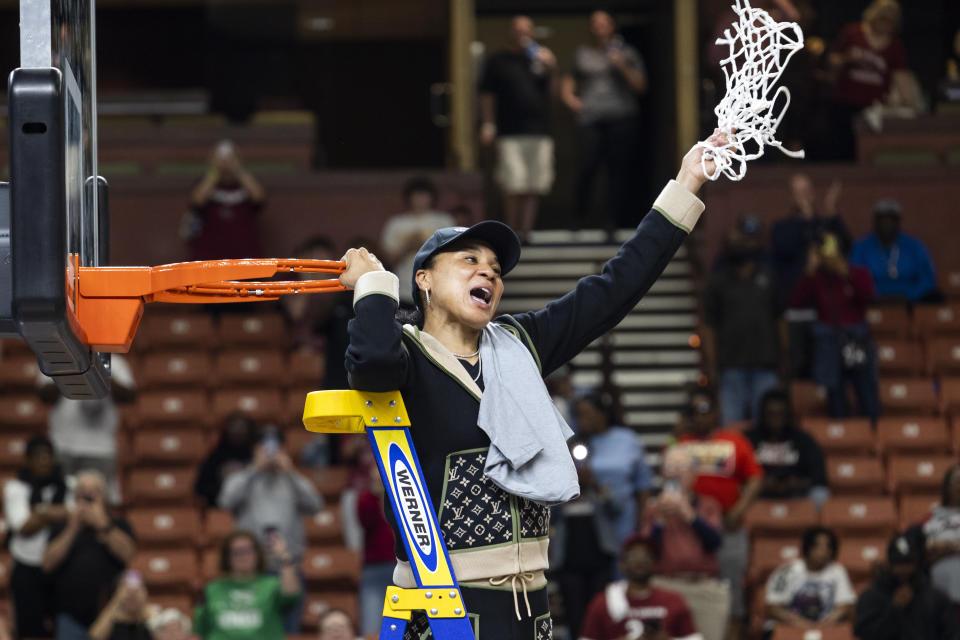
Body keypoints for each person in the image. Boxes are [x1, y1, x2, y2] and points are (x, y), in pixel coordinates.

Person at [337, 134, 724, 638]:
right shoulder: (405, 353)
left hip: (533, 606)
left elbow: (616, 288)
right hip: (442, 606)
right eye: (470, 261)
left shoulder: (518, 344)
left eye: (496, 269)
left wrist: (687, 182)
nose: (489, 274)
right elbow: (371, 366)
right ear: (425, 279)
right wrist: (373, 289)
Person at [675, 387, 763, 640]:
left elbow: (756, 478)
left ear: (716, 412)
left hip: (729, 525)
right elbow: (670, 477)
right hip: (692, 527)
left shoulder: (734, 441)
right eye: (693, 411)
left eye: (704, 410)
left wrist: (740, 509)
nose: (699, 416)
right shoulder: (682, 443)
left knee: (732, 588)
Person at [218, 428, 322, 634]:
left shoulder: (291, 480)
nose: (270, 454)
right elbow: (225, 500)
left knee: (289, 631)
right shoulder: (244, 478)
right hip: (252, 571)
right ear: (255, 450)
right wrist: (254, 469)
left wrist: (291, 472)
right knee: (256, 631)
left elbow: (316, 505)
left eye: (275, 448)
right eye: (264, 448)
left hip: (287, 569)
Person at [562, 10, 648, 231]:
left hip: (621, 118)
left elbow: (641, 86)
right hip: (590, 120)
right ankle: (578, 218)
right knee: (586, 167)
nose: (599, 27)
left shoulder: (627, 52)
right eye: (595, 23)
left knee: (617, 172)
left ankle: (612, 221)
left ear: (612, 26)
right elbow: (568, 82)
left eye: (603, 23)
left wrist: (622, 65)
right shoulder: (582, 54)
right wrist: (572, 100)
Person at [479, 15, 557, 241]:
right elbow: (487, 96)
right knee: (513, 183)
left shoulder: (540, 60)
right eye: (519, 29)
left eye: (528, 30)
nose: (523, 34)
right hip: (508, 131)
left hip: (539, 131)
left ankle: (527, 232)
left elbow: (553, 96)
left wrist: (552, 68)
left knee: (534, 184)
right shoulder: (498, 61)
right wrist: (488, 123)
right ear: (511, 32)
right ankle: (511, 231)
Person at [703, 217, 787, 425]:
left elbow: (781, 319)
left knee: (767, 426)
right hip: (731, 367)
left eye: (740, 242)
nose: (737, 246)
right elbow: (709, 327)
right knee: (731, 426)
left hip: (766, 364)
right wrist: (712, 367)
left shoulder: (768, 277)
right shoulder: (717, 282)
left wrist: (785, 356)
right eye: (732, 243)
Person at [790, 233, 879, 421]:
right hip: (828, 340)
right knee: (835, 391)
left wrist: (846, 272)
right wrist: (810, 269)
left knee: (865, 388)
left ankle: (872, 431)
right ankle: (842, 430)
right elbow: (796, 302)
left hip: (855, 337)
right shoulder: (817, 278)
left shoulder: (857, 272)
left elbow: (868, 296)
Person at [641, 446, 727, 640]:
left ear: (693, 475)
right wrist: (660, 520)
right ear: (663, 473)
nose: (675, 471)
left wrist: (689, 515)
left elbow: (715, 542)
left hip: (703, 587)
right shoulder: (654, 509)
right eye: (670, 466)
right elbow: (646, 553)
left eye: (681, 466)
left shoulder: (709, 505)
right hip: (664, 585)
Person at [42, 470, 137, 640]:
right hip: (69, 617)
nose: (88, 497)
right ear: (75, 497)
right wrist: (72, 529)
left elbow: (128, 554)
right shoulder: (61, 527)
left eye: (94, 492)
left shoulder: (118, 524)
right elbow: (47, 564)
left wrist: (103, 525)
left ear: (105, 497)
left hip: (110, 615)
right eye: (83, 492)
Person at [824, 0, 920, 160]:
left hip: (874, 108)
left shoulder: (895, 45)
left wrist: (910, 102)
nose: (885, 27)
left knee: (867, 148)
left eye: (889, 23)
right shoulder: (853, 33)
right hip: (845, 102)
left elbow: (900, 76)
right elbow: (832, 62)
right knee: (841, 147)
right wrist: (847, 57)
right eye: (882, 21)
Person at [40, 354, 136, 505]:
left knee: (99, 501)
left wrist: (100, 373)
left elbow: (129, 395)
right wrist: (69, 371)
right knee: (60, 499)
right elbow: (43, 395)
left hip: (100, 448)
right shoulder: (57, 355)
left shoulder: (114, 362)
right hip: (63, 444)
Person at [5, 436, 74, 640]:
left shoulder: (68, 484)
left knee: (62, 627)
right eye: (38, 456)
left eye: (48, 456)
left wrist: (42, 512)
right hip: (26, 568)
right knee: (28, 630)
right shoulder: (16, 488)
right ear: (27, 460)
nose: (44, 461)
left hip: (60, 566)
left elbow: (76, 514)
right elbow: (24, 527)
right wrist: (58, 513)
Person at [579, 535, 701, 640]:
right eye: (633, 555)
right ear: (622, 564)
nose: (640, 560)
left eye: (646, 556)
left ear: (655, 563)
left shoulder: (673, 600)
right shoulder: (603, 602)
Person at [194, 530, 301, 640]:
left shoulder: (271, 585)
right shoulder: (212, 589)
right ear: (227, 557)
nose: (242, 556)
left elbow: (291, 595)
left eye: (247, 551)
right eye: (236, 552)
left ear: (257, 554)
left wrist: (284, 557)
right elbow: (200, 631)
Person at [854, 533, 960, 640]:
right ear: (889, 564)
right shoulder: (871, 597)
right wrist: (895, 609)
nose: (903, 569)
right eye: (898, 563)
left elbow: (951, 634)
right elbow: (866, 634)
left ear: (917, 563)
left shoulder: (936, 598)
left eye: (908, 563)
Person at [744, 390, 829, 510]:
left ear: (788, 415)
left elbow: (819, 476)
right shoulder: (749, 439)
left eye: (780, 414)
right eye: (771, 414)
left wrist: (796, 483)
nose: (775, 419)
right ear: (763, 415)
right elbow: (739, 473)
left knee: (820, 494)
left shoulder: (803, 439)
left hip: (797, 495)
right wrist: (760, 483)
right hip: (758, 495)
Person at [771, 174, 849, 301]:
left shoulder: (825, 224)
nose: (803, 196)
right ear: (791, 197)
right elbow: (786, 251)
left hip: (826, 299)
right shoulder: (781, 228)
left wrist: (831, 210)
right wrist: (806, 220)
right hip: (796, 296)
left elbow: (845, 245)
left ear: (813, 193)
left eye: (806, 191)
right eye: (798, 192)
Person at [380, 177, 455, 307]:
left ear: (432, 198)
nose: (420, 200)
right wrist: (407, 247)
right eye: (416, 196)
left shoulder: (444, 221)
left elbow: (451, 256)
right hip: (403, 290)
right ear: (408, 198)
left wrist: (425, 245)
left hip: (436, 290)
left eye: (424, 195)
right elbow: (387, 260)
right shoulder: (396, 224)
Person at [764, 527, 855, 634]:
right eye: (817, 546)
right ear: (807, 547)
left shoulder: (838, 571)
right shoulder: (786, 571)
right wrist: (800, 623)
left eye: (828, 546)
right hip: (791, 626)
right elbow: (774, 607)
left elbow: (845, 606)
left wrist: (824, 624)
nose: (823, 551)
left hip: (827, 628)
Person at [185, 140, 265, 261]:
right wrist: (216, 171)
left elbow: (259, 197)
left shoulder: (246, 184)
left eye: (232, 158)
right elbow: (196, 200)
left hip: (244, 257)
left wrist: (237, 169)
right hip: (210, 258)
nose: (226, 162)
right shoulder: (204, 183)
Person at [849, 199, 939, 304]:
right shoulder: (861, 247)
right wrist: (872, 295)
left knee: (935, 297)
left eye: (891, 219)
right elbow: (855, 277)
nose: (886, 224)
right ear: (875, 222)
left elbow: (928, 278)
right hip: (872, 300)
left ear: (898, 222)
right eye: (882, 219)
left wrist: (911, 295)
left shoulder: (914, 246)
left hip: (910, 300)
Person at [356, 465, 395, 636]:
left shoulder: (403, 495)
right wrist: (380, 495)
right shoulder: (366, 499)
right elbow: (367, 521)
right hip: (374, 568)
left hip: (402, 567)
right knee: (371, 626)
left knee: (402, 624)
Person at [195, 412, 260, 508]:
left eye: (242, 428)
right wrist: (225, 491)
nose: (238, 431)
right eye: (234, 427)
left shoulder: (257, 456)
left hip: (253, 507)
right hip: (222, 509)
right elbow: (200, 487)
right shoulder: (216, 456)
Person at [921, 464, 960, 617]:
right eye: (957, 481)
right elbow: (919, 552)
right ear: (947, 486)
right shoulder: (929, 520)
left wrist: (946, 548)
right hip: (940, 597)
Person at [89, 571, 155, 640]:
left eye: (137, 592)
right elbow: (95, 637)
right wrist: (117, 600)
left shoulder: (150, 618)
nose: (132, 596)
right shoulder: (111, 620)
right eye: (128, 598)